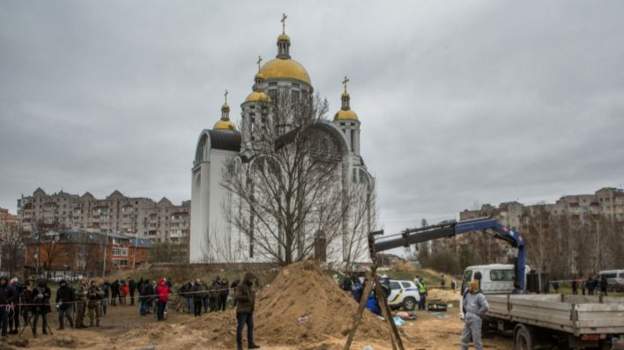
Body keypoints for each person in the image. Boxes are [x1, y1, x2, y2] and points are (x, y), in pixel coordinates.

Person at [460, 280, 489, 350]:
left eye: (470, 286)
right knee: (464, 338)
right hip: (468, 318)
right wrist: (467, 311)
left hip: (475, 319)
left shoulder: (480, 296)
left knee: (476, 340)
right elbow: (464, 303)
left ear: (474, 287)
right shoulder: (468, 294)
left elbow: (486, 307)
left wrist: (478, 313)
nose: (468, 288)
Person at [235, 272, 260, 350]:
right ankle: (239, 347)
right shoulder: (240, 286)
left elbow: (253, 297)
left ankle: (250, 344)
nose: (252, 281)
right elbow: (237, 296)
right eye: (251, 279)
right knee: (240, 328)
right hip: (242, 311)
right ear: (247, 279)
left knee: (250, 327)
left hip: (249, 310)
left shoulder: (250, 287)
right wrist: (247, 297)